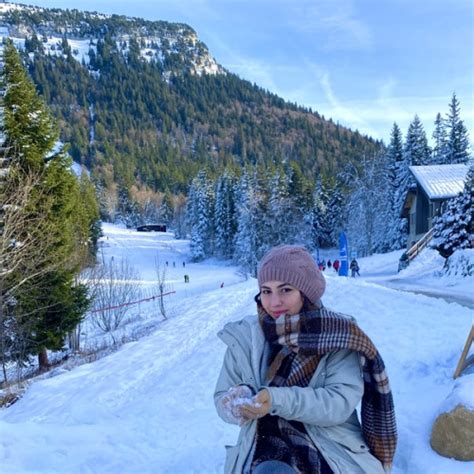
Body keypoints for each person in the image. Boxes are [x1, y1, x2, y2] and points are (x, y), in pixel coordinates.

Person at [214, 245, 396, 474]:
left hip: (328, 443)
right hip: (262, 440)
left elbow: (338, 403)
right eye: (266, 291)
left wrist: (275, 399)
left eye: (285, 289)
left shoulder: (337, 335)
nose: (274, 302)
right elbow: (221, 395)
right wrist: (235, 404)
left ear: (306, 292)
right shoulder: (245, 338)